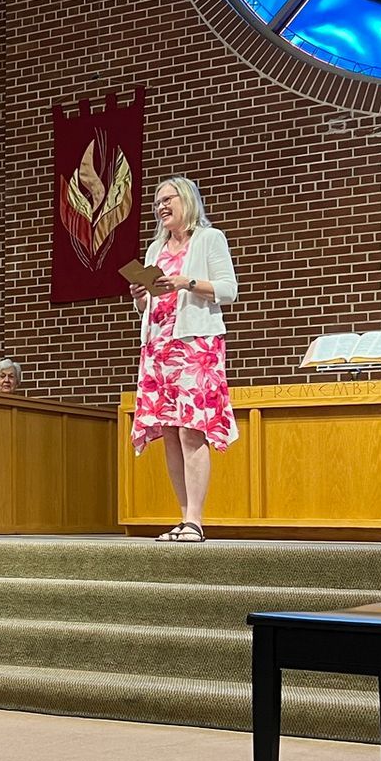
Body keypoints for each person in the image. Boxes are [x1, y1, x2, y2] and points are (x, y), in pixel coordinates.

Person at [130, 176, 239, 543]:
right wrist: (140, 295)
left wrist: (184, 282)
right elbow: (147, 305)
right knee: (171, 433)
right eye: (157, 202)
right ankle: (182, 518)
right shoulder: (154, 249)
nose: (161, 207)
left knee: (193, 431)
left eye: (167, 199)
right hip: (158, 346)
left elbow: (228, 290)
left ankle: (196, 519)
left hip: (195, 345)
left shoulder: (209, 238)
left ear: (187, 201)